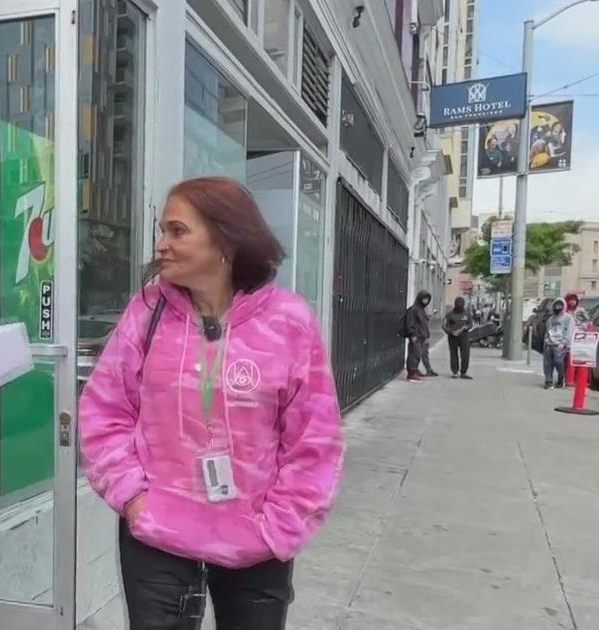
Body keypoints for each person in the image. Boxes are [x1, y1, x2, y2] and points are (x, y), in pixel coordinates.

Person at [78, 177, 344, 630]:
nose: (161, 245)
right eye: (162, 231)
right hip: (159, 536)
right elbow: (103, 412)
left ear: (226, 239)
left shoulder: (288, 322)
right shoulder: (146, 313)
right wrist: (134, 499)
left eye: (177, 231)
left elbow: (315, 441)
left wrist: (279, 527)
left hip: (256, 541)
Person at [542, 297, 575, 390]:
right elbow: (547, 331)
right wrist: (546, 341)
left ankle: (561, 378)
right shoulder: (551, 319)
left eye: (560, 306)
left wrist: (565, 343)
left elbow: (570, 332)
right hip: (549, 343)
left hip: (561, 345)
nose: (558, 307)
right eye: (556, 306)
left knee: (558, 361)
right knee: (547, 364)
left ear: (564, 306)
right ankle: (548, 381)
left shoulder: (568, 318)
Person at [403, 290, 437, 381]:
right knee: (414, 354)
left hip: (422, 336)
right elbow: (410, 323)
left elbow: (424, 324)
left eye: (427, 299)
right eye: (424, 298)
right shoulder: (413, 309)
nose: (425, 301)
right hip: (416, 336)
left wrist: (427, 336)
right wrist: (412, 335)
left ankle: (415, 370)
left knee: (418, 354)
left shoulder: (422, 310)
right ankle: (411, 373)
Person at [443, 297, 473, 380]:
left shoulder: (467, 314)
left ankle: (463, 372)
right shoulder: (449, 314)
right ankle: (455, 372)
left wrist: (465, 328)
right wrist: (451, 332)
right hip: (453, 337)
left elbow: (470, 324)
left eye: (461, 304)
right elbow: (444, 326)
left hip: (464, 337)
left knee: (465, 354)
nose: (459, 305)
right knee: (453, 354)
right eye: (457, 303)